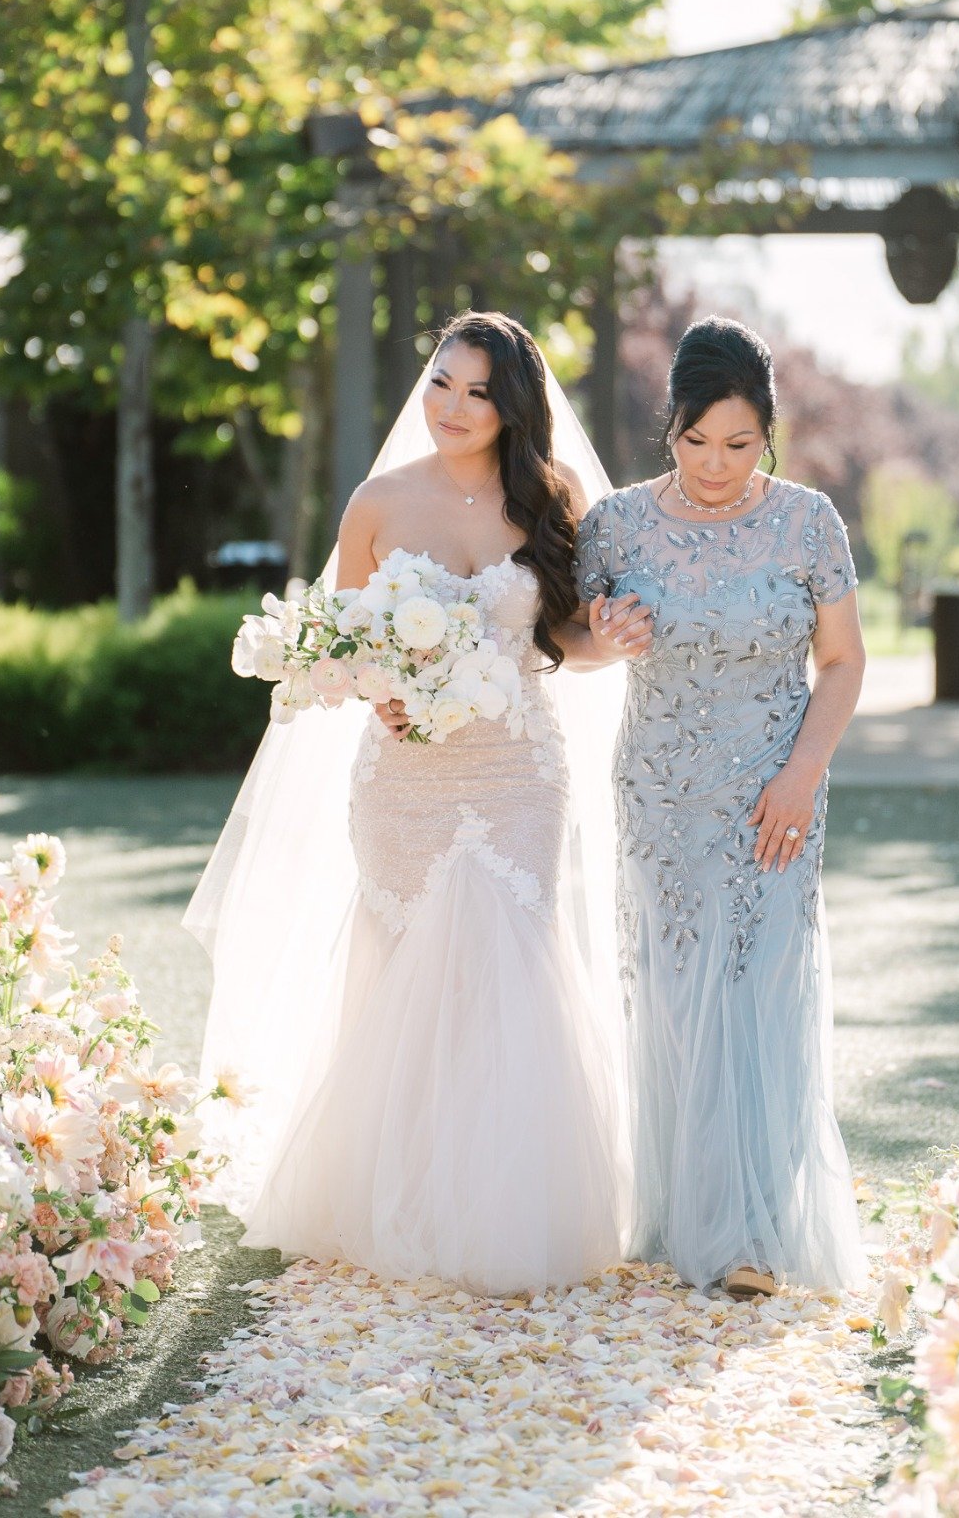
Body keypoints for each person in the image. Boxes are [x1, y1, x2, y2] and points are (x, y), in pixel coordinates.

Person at [184, 312, 636, 1296]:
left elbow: (567, 638)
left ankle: (508, 1204)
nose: (454, 407)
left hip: (518, 772)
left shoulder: (547, 501)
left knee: (506, 963)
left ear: (514, 407)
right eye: (442, 382)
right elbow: (338, 650)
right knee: (407, 969)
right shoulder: (376, 503)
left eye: (479, 392)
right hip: (403, 778)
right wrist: (379, 686)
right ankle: (403, 1192)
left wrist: (615, 632)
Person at [574, 316, 868, 1298]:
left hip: (776, 796)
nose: (715, 464)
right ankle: (687, 1214)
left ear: (769, 433)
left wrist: (803, 773)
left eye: (739, 444)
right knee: (675, 992)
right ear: (671, 428)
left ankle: (754, 1229)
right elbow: (569, 641)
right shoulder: (614, 526)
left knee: (762, 989)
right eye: (697, 441)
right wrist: (602, 631)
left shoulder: (808, 523)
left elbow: (842, 661)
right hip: (660, 796)